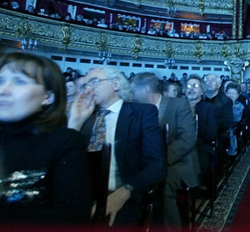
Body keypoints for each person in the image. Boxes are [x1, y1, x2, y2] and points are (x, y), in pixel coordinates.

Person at [0, 53, 92, 226]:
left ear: (48, 97)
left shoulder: (64, 141)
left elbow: (72, 218)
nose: (3, 90)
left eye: (19, 82)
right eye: (0, 81)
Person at [68, 66, 166, 227]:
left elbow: (156, 164)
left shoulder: (141, 113)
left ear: (116, 84)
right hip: (82, 194)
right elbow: (65, 161)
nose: (88, 89)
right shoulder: (83, 115)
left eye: (94, 82)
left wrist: (126, 191)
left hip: (124, 193)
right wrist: (74, 123)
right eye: (85, 85)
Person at [129, 73, 200, 230]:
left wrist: (160, 159)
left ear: (146, 90)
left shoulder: (178, 105)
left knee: (162, 188)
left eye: (133, 92)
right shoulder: (136, 109)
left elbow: (187, 139)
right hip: (148, 162)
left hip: (177, 162)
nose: (131, 96)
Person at [186, 75, 219, 176]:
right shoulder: (178, 106)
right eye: (188, 86)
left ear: (202, 91)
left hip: (200, 146)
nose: (191, 88)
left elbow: (211, 134)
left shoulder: (210, 108)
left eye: (195, 86)